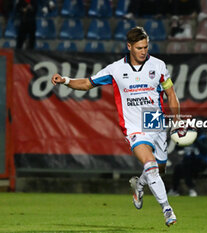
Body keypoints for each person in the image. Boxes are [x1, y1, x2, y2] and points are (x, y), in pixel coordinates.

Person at [51, 26, 181, 227]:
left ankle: (139, 184)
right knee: (151, 165)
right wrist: (65, 80)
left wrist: (177, 118)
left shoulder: (159, 66)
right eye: (139, 48)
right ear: (129, 46)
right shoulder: (115, 69)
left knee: (160, 168)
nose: (143, 51)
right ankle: (167, 209)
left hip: (155, 121)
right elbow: (87, 83)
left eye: (146, 47)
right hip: (133, 127)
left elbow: (171, 94)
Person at [168, 128, 207, 197]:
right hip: (187, 163)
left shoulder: (203, 138)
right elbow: (177, 148)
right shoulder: (187, 139)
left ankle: (191, 188)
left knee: (187, 165)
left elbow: (205, 149)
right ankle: (174, 190)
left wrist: (195, 140)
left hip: (200, 163)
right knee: (178, 168)